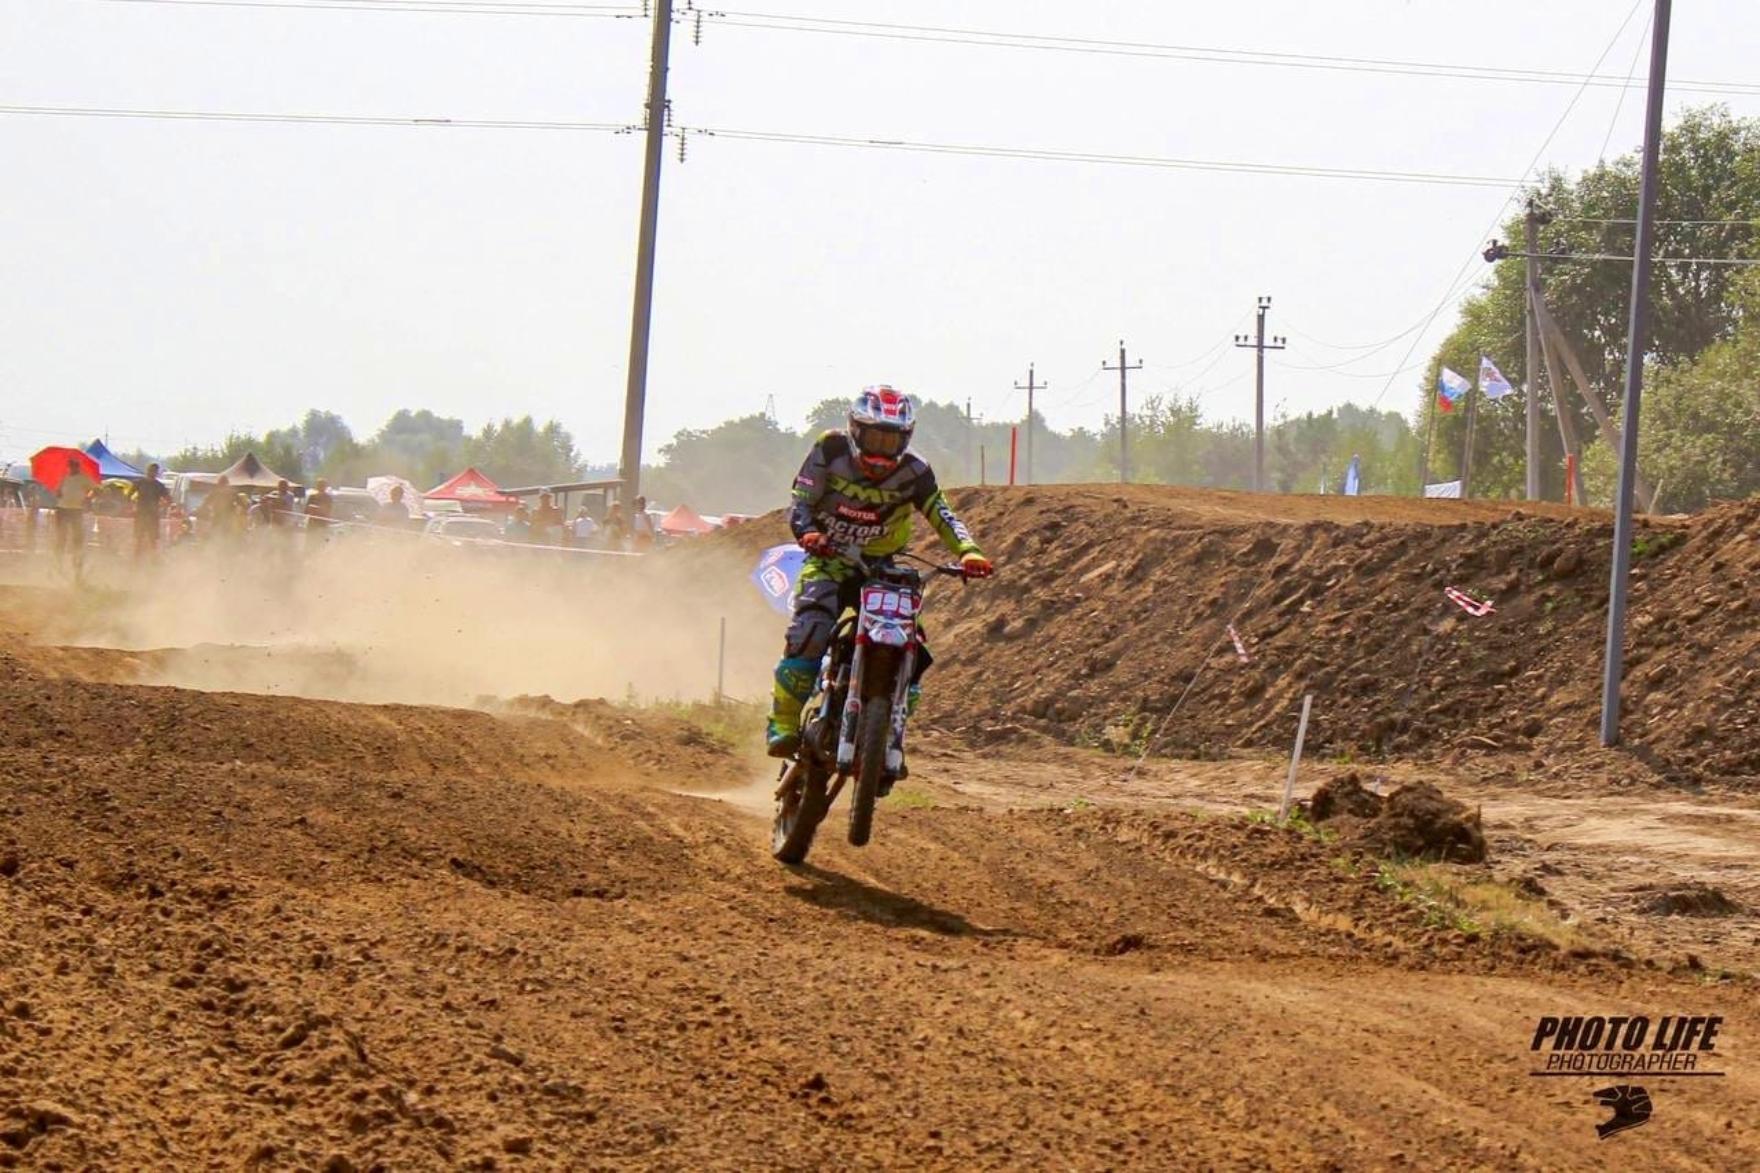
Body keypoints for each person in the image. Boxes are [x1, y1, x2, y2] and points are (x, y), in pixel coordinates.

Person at [765, 385, 992, 766]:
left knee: (914, 643)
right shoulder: (830, 449)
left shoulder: (916, 470)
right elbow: (801, 501)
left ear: (906, 438)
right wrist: (808, 533)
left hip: (883, 567)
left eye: (891, 440)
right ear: (855, 430)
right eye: (874, 438)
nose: (881, 451)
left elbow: (943, 514)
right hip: (830, 560)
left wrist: (968, 551)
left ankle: (887, 730)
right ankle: (782, 724)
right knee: (810, 631)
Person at [53, 456, 98, 574]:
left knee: (77, 537)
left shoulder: (84, 478)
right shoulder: (64, 477)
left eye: (75, 466)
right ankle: (58, 562)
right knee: (61, 537)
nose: (73, 468)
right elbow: (58, 491)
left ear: (78, 467)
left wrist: (88, 498)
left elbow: (96, 490)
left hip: (76, 510)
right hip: (62, 509)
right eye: (71, 466)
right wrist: (58, 493)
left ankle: (77, 562)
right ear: (69, 467)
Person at [134, 462, 169, 559]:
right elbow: (128, 495)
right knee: (139, 538)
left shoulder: (159, 486)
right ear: (147, 471)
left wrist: (162, 507)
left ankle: (153, 560)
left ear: (156, 473)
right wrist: (130, 505)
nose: (152, 473)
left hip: (153, 516)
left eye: (154, 471)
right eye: (150, 470)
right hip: (141, 514)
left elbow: (168, 499)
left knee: (152, 539)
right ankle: (136, 559)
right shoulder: (140, 483)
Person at [304, 478, 335, 546]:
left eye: (323, 485)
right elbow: (305, 511)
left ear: (325, 487)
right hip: (312, 524)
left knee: (320, 544)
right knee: (309, 543)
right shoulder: (312, 497)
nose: (321, 487)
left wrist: (319, 509)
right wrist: (310, 508)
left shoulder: (328, 498)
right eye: (319, 485)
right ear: (317, 486)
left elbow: (328, 511)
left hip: (322, 524)